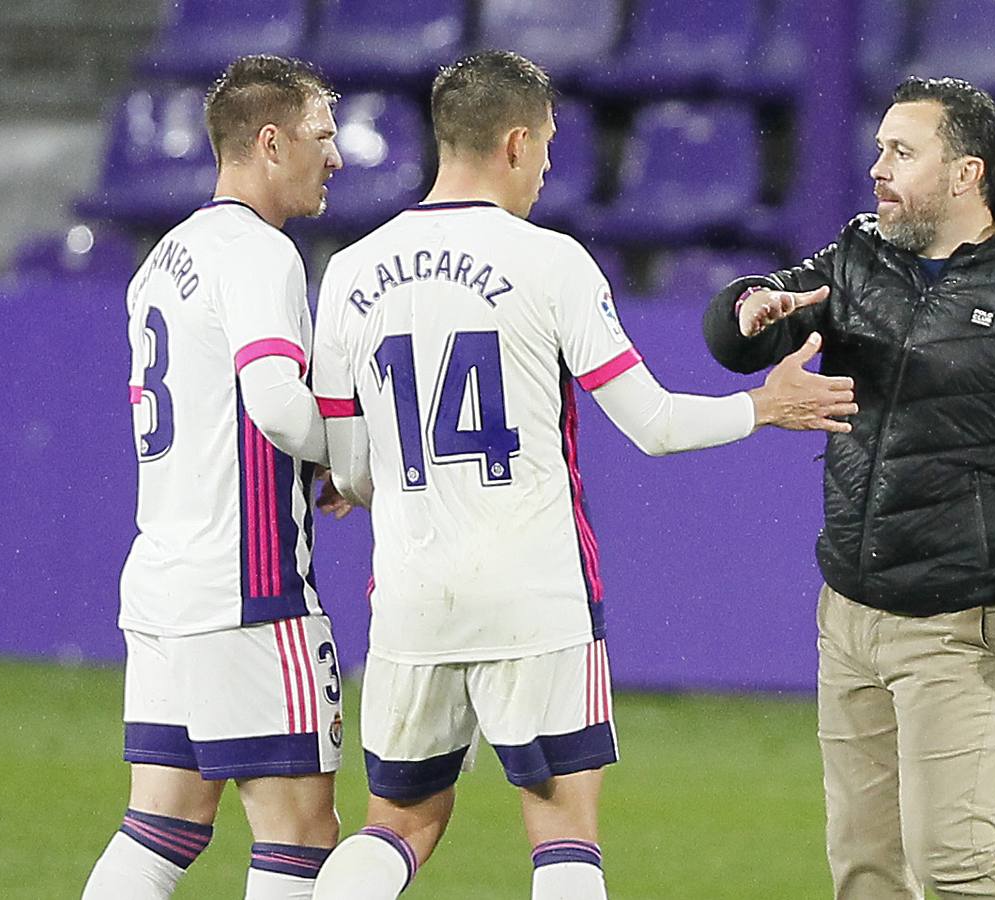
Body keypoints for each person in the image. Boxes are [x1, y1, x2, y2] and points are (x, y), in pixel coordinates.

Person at [308, 50, 855, 900]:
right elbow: (656, 425)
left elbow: (350, 471)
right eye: (550, 146)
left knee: (399, 823)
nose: (552, 166)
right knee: (562, 831)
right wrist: (762, 404)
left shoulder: (346, 273)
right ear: (516, 142)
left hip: (413, 598)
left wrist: (380, 480)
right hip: (536, 596)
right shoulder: (551, 262)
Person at [703, 77, 995, 898]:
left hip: (961, 626)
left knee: (958, 864)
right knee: (866, 870)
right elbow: (750, 325)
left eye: (901, 152)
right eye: (879, 148)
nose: (877, 168)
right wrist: (746, 310)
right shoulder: (859, 254)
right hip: (849, 615)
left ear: (965, 173)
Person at [82, 55, 348, 900]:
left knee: (160, 828)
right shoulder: (257, 253)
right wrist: (354, 457)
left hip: (163, 580)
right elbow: (274, 403)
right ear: (270, 142)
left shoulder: (164, 258)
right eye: (320, 135)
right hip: (248, 591)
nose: (335, 157)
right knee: (301, 834)